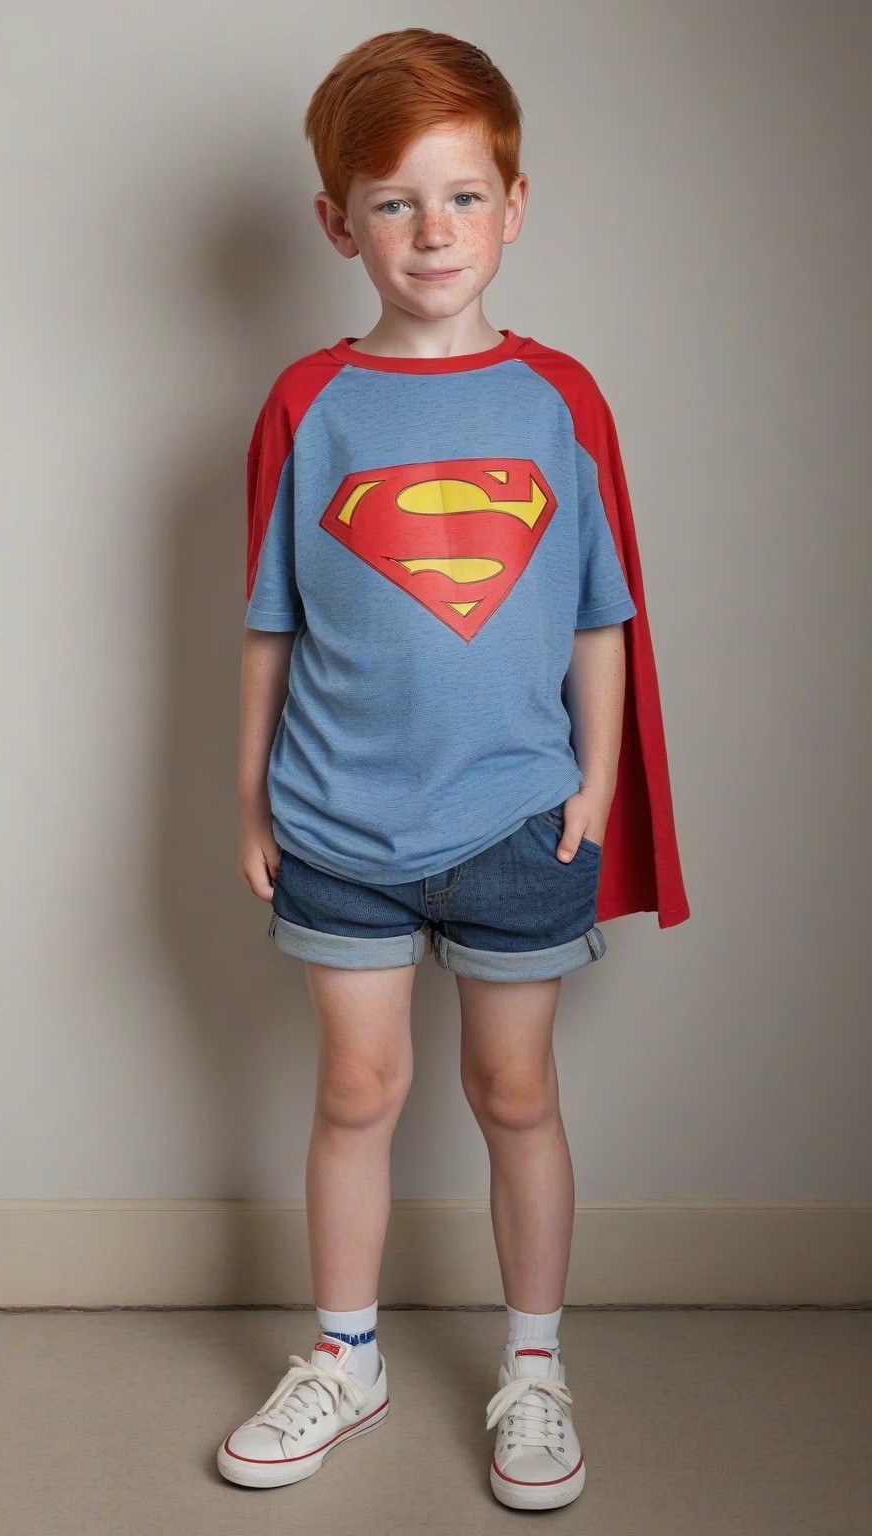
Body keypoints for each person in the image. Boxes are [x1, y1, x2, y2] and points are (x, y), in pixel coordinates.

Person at [217, 27, 688, 1511]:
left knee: (515, 1092)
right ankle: (344, 1355)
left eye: (465, 195)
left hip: (518, 822)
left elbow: (604, 612)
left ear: (516, 205)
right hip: (338, 821)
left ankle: (534, 1368)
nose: (434, 231)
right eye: (396, 202)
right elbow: (270, 619)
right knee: (356, 1090)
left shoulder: (560, 399)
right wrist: (249, 792)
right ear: (337, 222)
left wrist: (594, 787)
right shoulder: (309, 404)